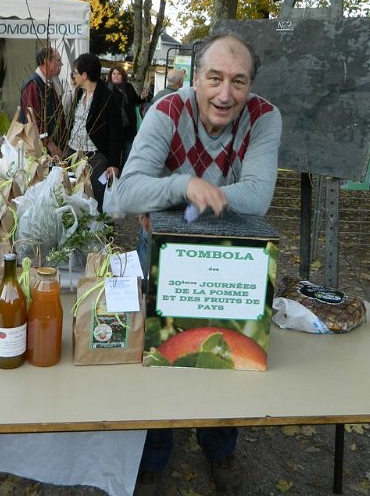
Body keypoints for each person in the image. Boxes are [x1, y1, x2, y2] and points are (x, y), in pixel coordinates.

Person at [114, 31, 282, 494]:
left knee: (227, 349)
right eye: (214, 78)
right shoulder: (166, 110)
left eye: (238, 81)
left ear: (250, 85)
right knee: (161, 352)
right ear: (195, 77)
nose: (225, 94)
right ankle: (154, 454)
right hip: (164, 249)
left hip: (231, 253)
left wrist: (186, 195)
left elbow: (259, 196)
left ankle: (219, 448)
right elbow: (127, 193)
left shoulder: (265, 117)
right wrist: (184, 184)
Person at [65, 53, 122, 212]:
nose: (73, 76)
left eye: (75, 72)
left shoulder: (107, 96)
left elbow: (116, 132)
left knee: (97, 199)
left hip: (96, 158)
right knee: (75, 198)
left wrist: (114, 163)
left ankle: (102, 229)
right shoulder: (79, 93)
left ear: (84, 75)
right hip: (74, 154)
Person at [19, 46, 67, 157]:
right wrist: (50, 145)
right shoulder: (33, 85)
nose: (61, 64)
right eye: (58, 60)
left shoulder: (49, 84)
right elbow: (34, 120)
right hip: (42, 152)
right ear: (46, 61)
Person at [107, 64, 139, 167]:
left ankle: (124, 174)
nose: (116, 76)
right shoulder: (107, 88)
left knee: (128, 154)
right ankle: (113, 174)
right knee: (114, 155)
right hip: (114, 128)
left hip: (128, 128)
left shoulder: (128, 87)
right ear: (110, 76)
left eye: (119, 74)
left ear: (123, 76)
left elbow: (136, 100)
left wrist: (143, 98)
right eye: (114, 74)